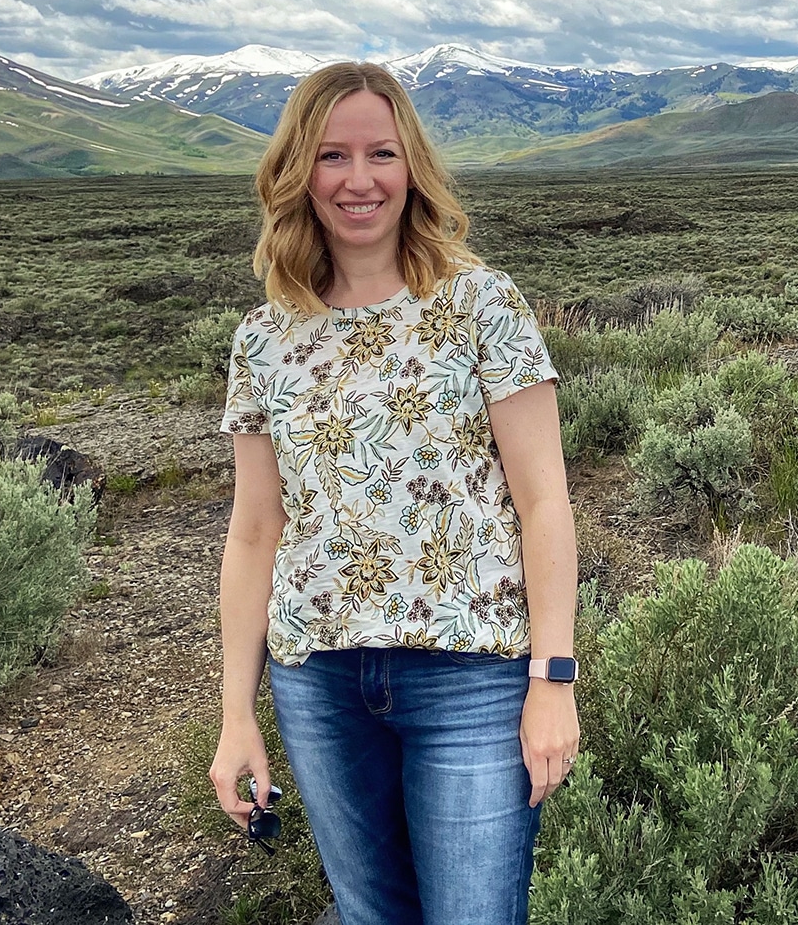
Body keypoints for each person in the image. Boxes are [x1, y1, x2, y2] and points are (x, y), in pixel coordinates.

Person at [209, 61, 578, 925]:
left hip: (472, 676)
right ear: (300, 174)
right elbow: (255, 531)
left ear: (411, 165)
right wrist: (235, 714)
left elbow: (546, 503)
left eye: (381, 153)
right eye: (333, 156)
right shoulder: (265, 337)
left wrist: (552, 678)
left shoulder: (481, 304)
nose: (359, 179)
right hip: (319, 682)